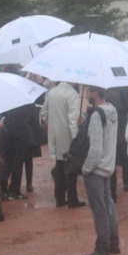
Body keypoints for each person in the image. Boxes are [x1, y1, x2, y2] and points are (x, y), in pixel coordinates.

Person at [80, 85, 121, 255]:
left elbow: (95, 149)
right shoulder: (112, 111)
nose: (87, 94)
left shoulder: (97, 115)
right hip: (107, 166)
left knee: (100, 210)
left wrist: (86, 168)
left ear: (95, 93)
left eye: (88, 91)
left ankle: (102, 247)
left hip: (96, 169)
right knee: (108, 204)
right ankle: (113, 242)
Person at [42, 80, 84, 208]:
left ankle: (59, 198)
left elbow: (44, 113)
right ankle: (72, 199)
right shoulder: (72, 95)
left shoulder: (52, 92)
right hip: (68, 136)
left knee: (59, 166)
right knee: (71, 169)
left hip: (55, 135)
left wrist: (52, 124)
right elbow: (73, 121)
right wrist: (76, 139)